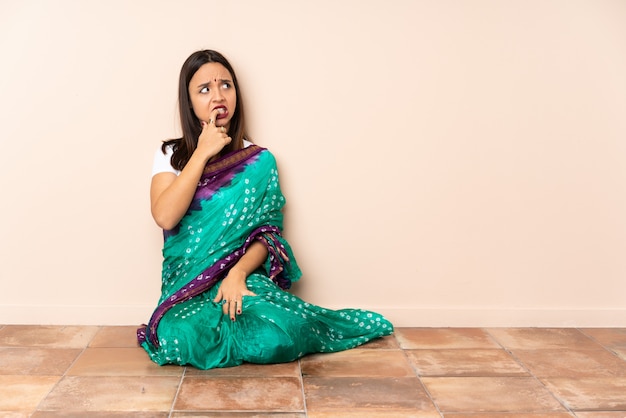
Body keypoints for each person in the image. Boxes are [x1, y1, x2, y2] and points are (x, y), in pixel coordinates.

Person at [137, 49, 393, 369]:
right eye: (204, 89)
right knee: (178, 338)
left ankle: (236, 330)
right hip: (185, 291)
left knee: (283, 334)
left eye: (226, 85)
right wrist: (201, 153)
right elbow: (165, 215)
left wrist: (237, 274)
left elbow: (268, 234)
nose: (218, 95)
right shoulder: (169, 154)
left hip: (240, 278)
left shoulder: (259, 161)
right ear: (189, 102)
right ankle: (223, 334)